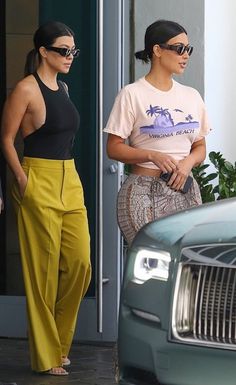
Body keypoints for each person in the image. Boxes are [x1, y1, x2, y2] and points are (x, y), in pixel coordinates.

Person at [1, 21, 91, 376]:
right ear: (43, 52)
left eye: (73, 51)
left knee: (80, 264)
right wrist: (22, 179)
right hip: (38, 177)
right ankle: (47, 355)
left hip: (70, 180)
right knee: (42, 274)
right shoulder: (26, 88)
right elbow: (6, 138)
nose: (70, 57)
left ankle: (58, 342)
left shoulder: (63, 87)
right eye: (63, 51)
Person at [104, 19, 211, 245]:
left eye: (188, 49)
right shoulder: (132, 94)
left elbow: (200, 147)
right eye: (179, 48)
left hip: (185, 190)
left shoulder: (192, 96)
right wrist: (152, 155)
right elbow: (113, 148)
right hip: (143, 193)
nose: (186, 55)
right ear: (157, 50)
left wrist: (187, 163)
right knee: (150, 264)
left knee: (188, 265)